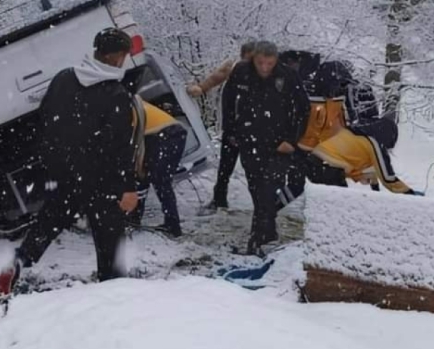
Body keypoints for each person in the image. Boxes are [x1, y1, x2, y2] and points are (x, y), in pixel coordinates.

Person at [0, 29, 139, 297]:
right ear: (116, 58)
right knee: (110, 241)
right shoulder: (116, 93)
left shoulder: (64, 78)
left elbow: (44, 119)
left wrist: (56, 160)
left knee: (49, 222)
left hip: (64, 172)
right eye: (124, 56)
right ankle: (113, 294)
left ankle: (17, 263)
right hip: (101, 179)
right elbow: (120, 147)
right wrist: (127, 187)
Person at [221, 41, 309, 255]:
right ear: (254, 59)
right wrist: (231, 131)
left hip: (279, 143)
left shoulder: (287, 76)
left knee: (269, 191)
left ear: (276, 60)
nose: (264, 68)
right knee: (256, 190)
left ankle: (257, 241)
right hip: (249, 140)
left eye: (269, 63)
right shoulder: (241, 72)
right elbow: (228, 100)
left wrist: (292, 139)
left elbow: (303, 108)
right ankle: (267, 234)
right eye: (260, 62)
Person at [288, 59, 381, 199]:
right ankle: (269, 212)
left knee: (338, 190)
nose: (342, 88)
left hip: (324, 155)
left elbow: (339, 130)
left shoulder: (337, 102)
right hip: (300, 153)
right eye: (340, 84)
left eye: (344, 85)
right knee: (296, 188)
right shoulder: (308, 100)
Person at [186, 41, 257, 211]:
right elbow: (217, 76)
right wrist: (200, 88)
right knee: (229, 167)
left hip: (248, 129)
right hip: (236, 128)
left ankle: (259, 204)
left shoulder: (262, 73)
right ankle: (220, 199)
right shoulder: (234, 67)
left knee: (246, 169)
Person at [306, 114, 421, 195]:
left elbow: (371, 172)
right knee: (340, 205)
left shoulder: (358, 135)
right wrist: (409, 193)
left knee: (336, 203)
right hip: (326, 166)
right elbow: (388, 178)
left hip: (314, 163)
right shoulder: (374, 143)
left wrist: (376, 192)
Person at [128, 99, 187, 237]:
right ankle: (134, 218)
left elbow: (130, 149)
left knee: (160, 180)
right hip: (163, 133)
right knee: (143, 177)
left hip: (169, 134)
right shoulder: (127, 103)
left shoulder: (122, 112)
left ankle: (173, 227)